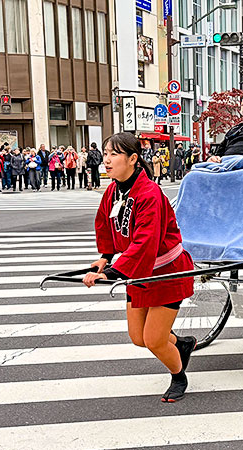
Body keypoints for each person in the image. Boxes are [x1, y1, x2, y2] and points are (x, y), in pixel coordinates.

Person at [83, 132, 196, 402]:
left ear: (133, 159)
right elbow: (105, 224)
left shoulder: (150, 193)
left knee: (155, 340)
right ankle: (181, 344)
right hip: (138, 270)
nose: (106, 161)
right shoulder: (113, 190)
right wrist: (105, 257)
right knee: (138, 337)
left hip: (167, 271)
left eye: (114, 155)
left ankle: (178, 375)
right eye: (106, 154)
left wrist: (111, 273)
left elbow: (146, 241)